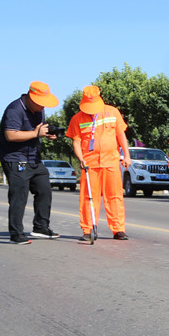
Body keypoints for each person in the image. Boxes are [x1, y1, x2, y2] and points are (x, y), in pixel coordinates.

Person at [0, 81, 62, 244]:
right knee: (19, 196)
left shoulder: (39, 110)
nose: (43, 106)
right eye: (41, 103)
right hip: (15, 158)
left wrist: (46, 134)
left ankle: (40, 227)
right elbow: (11, 135)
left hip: (34, 158)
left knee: (44, 189)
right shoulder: (14, 109)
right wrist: (35, 133)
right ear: (31, 97)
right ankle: (16, 234)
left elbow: (38, 130)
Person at [67, 85, 132, 241]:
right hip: (90, 164)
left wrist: (127, 156)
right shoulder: (77, 118)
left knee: (115, 196)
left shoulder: (112, 112)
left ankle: (118, 229)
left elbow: (121, 135)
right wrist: (81, 159)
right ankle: (88, 229)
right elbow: (76, 142)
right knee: (88, 197)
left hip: (111, 161)